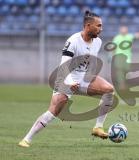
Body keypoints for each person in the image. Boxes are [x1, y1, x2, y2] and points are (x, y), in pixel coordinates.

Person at [18, 11, 113, 148]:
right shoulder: (73, 41)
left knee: (109, 90)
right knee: (53, 111)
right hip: (66, 78)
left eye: (101, 26)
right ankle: (26, 139)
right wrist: (70, 82)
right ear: (88, 25)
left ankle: (98, 127)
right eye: (98, 26)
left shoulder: (98, 42)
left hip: (83, 77)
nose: (101, 29)